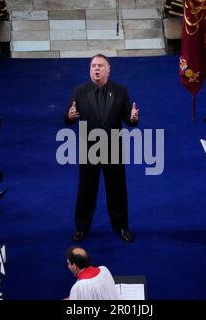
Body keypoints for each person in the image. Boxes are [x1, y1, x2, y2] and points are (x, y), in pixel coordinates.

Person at [64, 54, 139, 243]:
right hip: (89, 148)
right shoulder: (79, 91)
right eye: (93, 66)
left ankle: (122, 227)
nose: (96, 69)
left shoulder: (120, 91)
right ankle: (81, 228)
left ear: (108, 69)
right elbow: (67, 118)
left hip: (113, 147)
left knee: (117, 189)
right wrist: (71, 116)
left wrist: (133, 118)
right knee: (86, 189)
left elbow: (128, 120)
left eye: (100, 65)